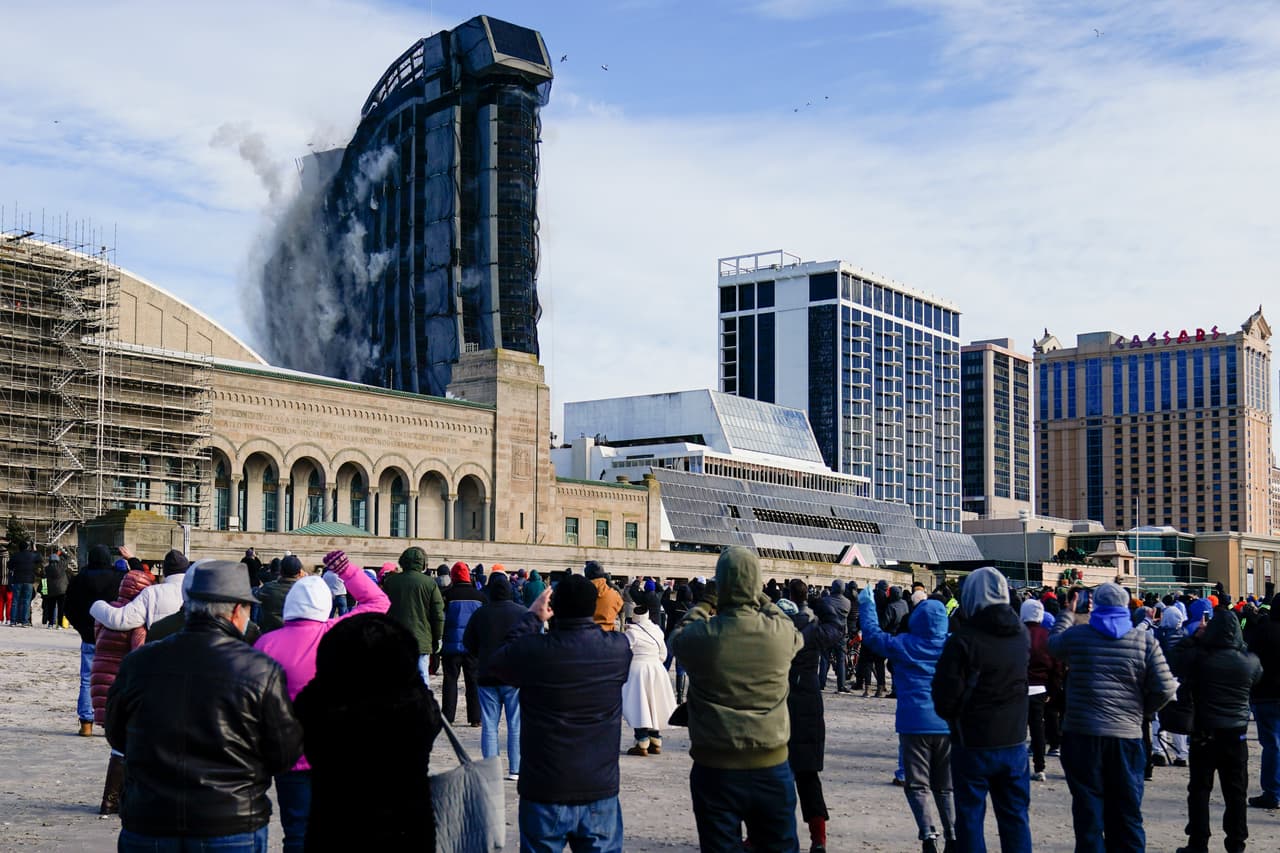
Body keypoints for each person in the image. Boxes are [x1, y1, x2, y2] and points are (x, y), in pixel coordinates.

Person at [105, 561, 303, 851]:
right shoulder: (259, 669)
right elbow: (284, 753)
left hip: (150, 816)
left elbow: (117, 734)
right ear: (237, 611)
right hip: (230, 820)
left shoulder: (139, 662)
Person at [670, 546, 803, 852]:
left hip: (715, 765)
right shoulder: (779, 633)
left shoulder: (704, 637)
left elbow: (678, 636)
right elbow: (791, 627)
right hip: (771, 761)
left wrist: (705, 602)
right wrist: (762, 597)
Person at [254, 550, 389, 852]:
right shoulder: (340, 634)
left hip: (290, 757)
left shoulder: (266, 644)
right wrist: (347, 571)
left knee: (298, 833)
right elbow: (379, 603)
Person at [488, 576, 632, 851]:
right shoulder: (617, 648)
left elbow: (497, 663)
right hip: (598, 784)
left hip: (545, 786)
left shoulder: (534, 650)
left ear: (553, 606)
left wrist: (531, 617)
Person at [291, 612, 442, 851]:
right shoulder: (414, 707)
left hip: (334, 828)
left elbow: (303, 711)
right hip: (406, 830)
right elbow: (432, 716)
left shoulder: (321, 708)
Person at [1048, 583, 1178, 853]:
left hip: (1082, 734)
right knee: (1127, 812)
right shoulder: (1144, 641)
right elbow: (1166, 687)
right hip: (1126, 735)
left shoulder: (1077, 636)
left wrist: (1067, 613)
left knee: (1088, 812)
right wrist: (1143, 711)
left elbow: (1053, 645)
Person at [931, 566, 1031, 853]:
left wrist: (956, 718)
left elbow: (944, 695)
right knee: (1015, 818)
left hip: (973, 740)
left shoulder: (964, 639)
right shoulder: (1020, 633)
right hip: (1014, 739)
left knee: (971, 818)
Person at [862, 581, 954, 853]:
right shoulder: (952, 646)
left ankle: (928, 835)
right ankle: (953, 835)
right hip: (946, 722)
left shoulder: (903, 644)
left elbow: (872, 635)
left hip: (914, 722)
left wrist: (867, 603)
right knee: (946, 787)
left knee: (917, 785)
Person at [1169, 607, 1262, 853]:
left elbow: (1174, 659)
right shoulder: (1249, 662)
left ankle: (1198, 842)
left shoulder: (1200, 658)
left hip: (1205, 731)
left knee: (1200, 790)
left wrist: (1195, 637)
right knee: (1236, 792)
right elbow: (1256, 676)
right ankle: (1236, 842)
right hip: (1236, 732)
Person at [778, 580, 844, 853]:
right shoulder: (815, 630)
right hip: (807, 698)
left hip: (779, 700)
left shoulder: (775, 630)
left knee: (773, 775)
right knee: (808, 776)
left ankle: (764, 834)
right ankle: (818, 838)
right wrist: (823, 605)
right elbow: (837, 629)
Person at [90, 565, 156, 815]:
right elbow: (138, 653)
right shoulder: (136, 620)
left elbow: (98, 638)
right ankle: (118, 797)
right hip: (121, 680)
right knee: (130, 740)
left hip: (100, 671)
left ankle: (110, 798)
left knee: (117, 737)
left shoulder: (105, 612)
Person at [462, 570, 528, 781]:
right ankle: (515, 769)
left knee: (489, 724)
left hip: (487, 674)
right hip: (514, 676)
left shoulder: (481, 613)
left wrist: (481, 655)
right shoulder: (521, 612)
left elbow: (468, 642)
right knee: (515, 724)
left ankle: (490, 770)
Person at [65, 544, 124, 736]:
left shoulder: (79, 579)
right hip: (112, 635)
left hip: (89, 635)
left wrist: (82, 629)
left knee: (87, 679)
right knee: (113, 679)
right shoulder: (118, 578)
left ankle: (86, 723)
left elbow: (69, 608)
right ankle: (110, 720)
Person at [621, 590, 678, 757]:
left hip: (637, 669)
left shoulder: (631, 631)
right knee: (655, 703)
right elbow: (663, 654)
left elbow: (625, 653)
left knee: (639, 705)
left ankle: (642, 741)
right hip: (656, 668)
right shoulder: (657, 630)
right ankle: (655, 739)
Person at [382, 546, 445, 683]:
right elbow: (438, 614)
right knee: (422, 675)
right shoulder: (429, 583)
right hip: (421, 637)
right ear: (422, 564)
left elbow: (382, 610)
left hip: (395, 637)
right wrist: (438, 637)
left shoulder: (390, 582)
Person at [89, 548, 189, 633]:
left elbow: (121, 620)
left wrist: (96, 605)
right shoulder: (197, 592)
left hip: (161, 652)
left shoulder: (152, 593)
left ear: (165, 571)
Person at [1245, 591, 1280, 809]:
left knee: (1272, 745)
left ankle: (1273, 792)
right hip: (1266, 694)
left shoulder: (1263, 630)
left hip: (1265, 694)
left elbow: (1250, 655)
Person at [1020, 597, 1061, 782]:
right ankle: (1040, 766)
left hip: (1018, 687)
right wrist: (1052, 691)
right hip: (1040, 687)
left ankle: (1018, 765)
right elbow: (1056, 666)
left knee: (1018, 729)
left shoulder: (1016, 634)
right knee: (1037, 728)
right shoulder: (1047, 636)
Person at [441, 560, 485, 725]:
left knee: (450, 681)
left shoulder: (447, 595)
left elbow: (441, 618)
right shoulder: (479, 596)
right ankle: (475, 718)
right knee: (473, 682)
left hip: (451, 646)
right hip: (472, 647)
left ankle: (448, 717)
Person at [817, 580, 851, 693]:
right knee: (841, 660)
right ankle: (841, 685)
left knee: (824, 659)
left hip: (827, 632)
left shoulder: (825, 601)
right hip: (841, 634)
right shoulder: (847, 602)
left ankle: (821, 683)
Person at [255, 554, 304, 633]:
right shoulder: (304, 591)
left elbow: (254, 596)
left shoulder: (268, 588)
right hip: (294, 633)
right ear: (299, 573)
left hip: (269, 633)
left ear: (280, 571)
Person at [6, 541, 40, 626]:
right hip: (29, 581)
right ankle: (25, 621)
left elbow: (9, 566)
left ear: (19, 547)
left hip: (17, 580)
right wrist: (35, 550)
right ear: (27, 547)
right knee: (26, 601)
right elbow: (40, 559)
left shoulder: (15, 555)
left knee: (15, 601)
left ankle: (13, 621)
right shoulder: (32, 556)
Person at [585, 560, 623, 631]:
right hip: (608, 634)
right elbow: (620, 606)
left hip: (586, 633)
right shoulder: (614, 594)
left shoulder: (579, 592)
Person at [41, 551, 68, 627]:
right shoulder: (62, 566)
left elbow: (44, 580)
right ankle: (59, 624)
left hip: (51, 591)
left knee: (51, 607)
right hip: (62, 591)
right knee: (61, 608)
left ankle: (50, 623)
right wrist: (61, 552)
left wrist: (45, 592)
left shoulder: (46, 569)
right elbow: (67, 558)